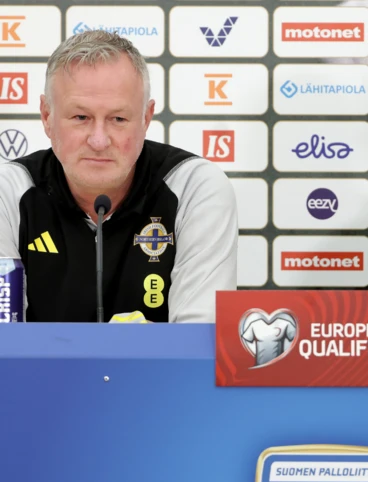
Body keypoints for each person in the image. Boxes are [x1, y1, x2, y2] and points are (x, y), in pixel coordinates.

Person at [0, 30, 237, 322]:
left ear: (146, 118)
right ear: (47, 116)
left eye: (118, 119)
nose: (99, 140)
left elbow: (199, 343)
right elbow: (4, 343)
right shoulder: (8, 192)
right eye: (81, 117)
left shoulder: (193, 186)